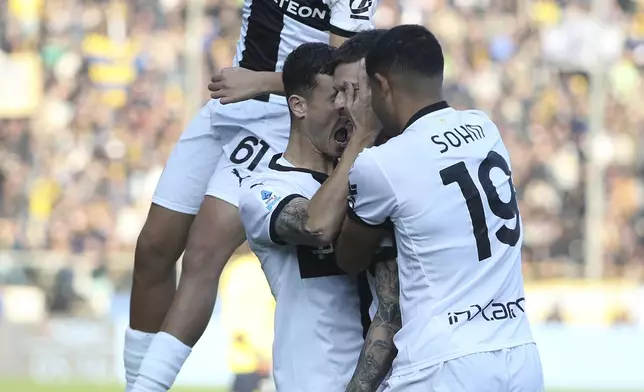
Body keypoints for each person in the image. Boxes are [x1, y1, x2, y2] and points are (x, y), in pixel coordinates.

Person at [126, 1, 378, 391]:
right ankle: (132, 383)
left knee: (203, 253)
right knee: (153, 248)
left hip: (283, 115)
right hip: (228, 104)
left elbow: (350, 73)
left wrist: (261, 82)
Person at [307, 25, 545, 391]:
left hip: (441, 364)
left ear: (381, 86)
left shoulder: (382, 164)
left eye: (355, 91)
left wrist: (365, 133)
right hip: (518, 353)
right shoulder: (485, 128)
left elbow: (349, 257)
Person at [238, 39, 399, 392]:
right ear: (298, 105)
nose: (347, 111)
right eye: (335, 98)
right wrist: (363, 139)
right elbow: (316, 224)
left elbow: (391, 305)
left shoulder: (372, 178)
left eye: (352, 98)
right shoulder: (262, 188)